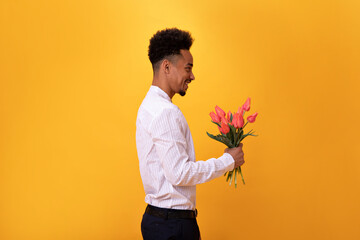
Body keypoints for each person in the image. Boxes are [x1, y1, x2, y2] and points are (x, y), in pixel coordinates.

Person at [135, 28, 245, 240]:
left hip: (160, 222)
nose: (192, 76)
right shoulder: (165, 112)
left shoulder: (148, 105)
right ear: (167, 66)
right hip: (173, 226)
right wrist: (228, 161)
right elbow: (179, 174)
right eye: (188, 68)